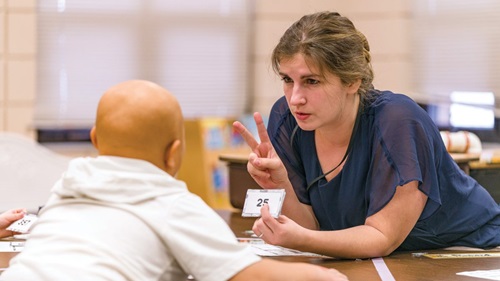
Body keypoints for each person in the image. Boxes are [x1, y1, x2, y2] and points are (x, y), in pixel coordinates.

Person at [0, 80, 347, 281]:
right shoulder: (173, 205)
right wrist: (325, 276)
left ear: (95, 139)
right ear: (174, 153)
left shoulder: (67, 186)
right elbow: (249, 275)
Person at [233, 11, 500, 259]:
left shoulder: (398, 121)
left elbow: (381, 236)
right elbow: (312, 227)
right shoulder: (287, 119)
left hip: (469, 250)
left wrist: (301, 239)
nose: (295, 98)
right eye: (288, 80)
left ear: (352, 81)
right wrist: (282, 184)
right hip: (390, 257)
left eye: (311, 81)